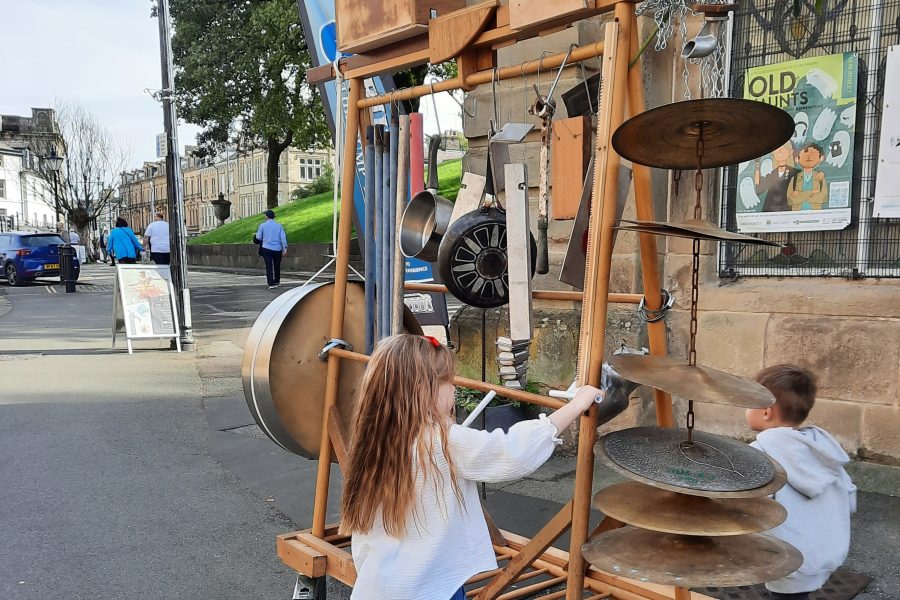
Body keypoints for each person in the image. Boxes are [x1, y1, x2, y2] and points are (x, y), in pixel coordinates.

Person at [341, 334, 603, 600]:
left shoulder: (375, 440)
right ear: (422, 390)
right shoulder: (441, 441)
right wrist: (575, 406)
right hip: (432, 587)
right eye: (448, 383)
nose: (454, 390)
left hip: (381, 584)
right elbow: (510, 451)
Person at [745, 365, 856, 600]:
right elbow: (848, 495)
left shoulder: (760, 454)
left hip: (787, 558)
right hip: (824, 553)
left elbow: (748, 508)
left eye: (748, 402)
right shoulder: (820, 447)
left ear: (766, 411)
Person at [754, 141, 798, 213]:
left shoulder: (795, 172)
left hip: (787, 210)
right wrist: (757, 165)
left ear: (790, 152)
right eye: (776, 151)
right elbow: (760, 187)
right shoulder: (773, 173)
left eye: (782, 150)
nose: (778, 152)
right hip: (770, 210)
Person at [787, 144, 828, 211]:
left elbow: (823, 197)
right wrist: (811, 192)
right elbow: (791, 200)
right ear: (797, 159)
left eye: (812, 154)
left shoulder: (820, 177)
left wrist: (800, 195)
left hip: (816, 214)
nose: (809, 157)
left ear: (821, 158)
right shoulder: (794, 178)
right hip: (797, 215)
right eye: (805, 154)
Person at [254, 209, 287, 289]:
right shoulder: (279, 226)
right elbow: (283, 237)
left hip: (267, 248)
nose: (264, 216)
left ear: (267, 216)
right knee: (277, 265)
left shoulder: (262, 225)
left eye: (265, 215)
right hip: (277, 248)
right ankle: (277, 281)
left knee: (269, 266)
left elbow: (258, 237)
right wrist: (284, 248)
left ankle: (271, 283)